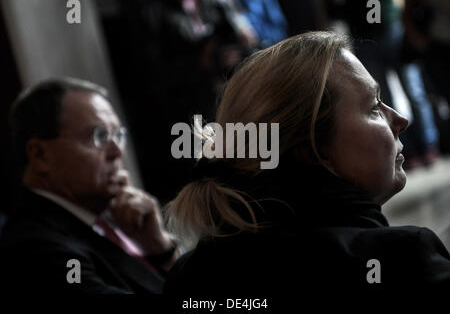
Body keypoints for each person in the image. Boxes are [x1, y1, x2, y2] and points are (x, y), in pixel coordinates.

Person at [163, 31, 450, 296]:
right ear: (313, 149)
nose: (401, 119)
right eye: (374, 107)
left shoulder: (186, 277)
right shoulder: (405, 261)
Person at [0, 78, 179, 294]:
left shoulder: (118, 219)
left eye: (117, 136)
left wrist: (162, 250)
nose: (117, 152)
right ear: (40, 155)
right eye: (99, 136)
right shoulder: (36, 247)